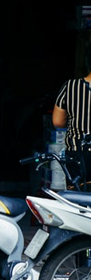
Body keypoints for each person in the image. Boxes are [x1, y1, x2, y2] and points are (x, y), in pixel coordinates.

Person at [52, 48, 91, 185]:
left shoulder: (71, 87)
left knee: (77, 198)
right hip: (77, 155)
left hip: (77, 153)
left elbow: (57, 122)